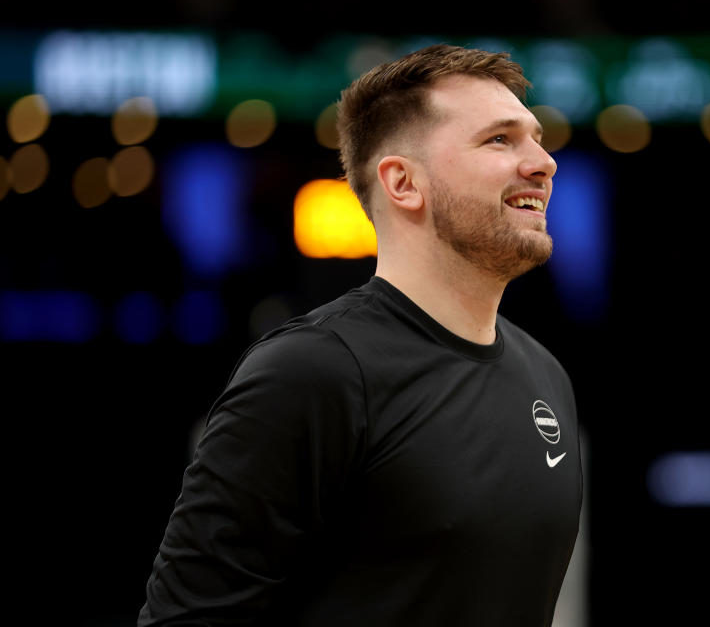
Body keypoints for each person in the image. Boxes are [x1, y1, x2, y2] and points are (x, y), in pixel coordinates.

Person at [139, 43, 582, 626]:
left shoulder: (545, 374)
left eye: (537, 138)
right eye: (500, 140)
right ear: (402, 182)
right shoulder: (309, 371)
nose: (543, 162)